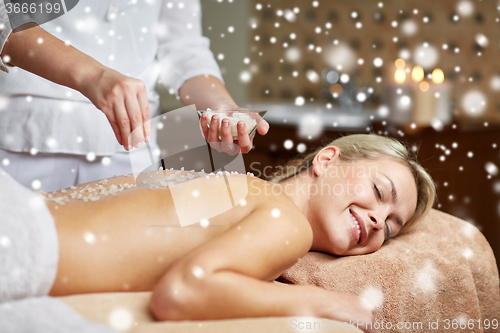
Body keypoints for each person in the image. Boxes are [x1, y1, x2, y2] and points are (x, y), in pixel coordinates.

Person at [0, 134, 435, 333]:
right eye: (380, 192)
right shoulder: (287, 223)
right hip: (23, 242)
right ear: (326, 161)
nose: (379, 220)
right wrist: (325, 301)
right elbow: (182, 292)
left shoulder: (238, 189)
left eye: (392, 228)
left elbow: (147, 216)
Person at [0, 0, 269, 192]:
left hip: (133, 152)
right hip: (22, 142)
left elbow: (181, 47)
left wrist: (220, 104)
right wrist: (91, 75)